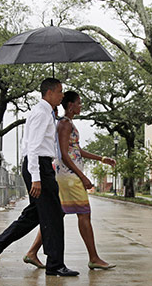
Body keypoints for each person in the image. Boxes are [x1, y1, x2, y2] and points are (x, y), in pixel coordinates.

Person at [0, 78, 79, 277]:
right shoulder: (41, 113)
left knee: (35, 214)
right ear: (50, 92)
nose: (62, 95)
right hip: (39, 167)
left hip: (41, 166)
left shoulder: (47, 113)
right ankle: (55, 265)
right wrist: (36, 177)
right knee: (53, 215)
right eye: (60, 91)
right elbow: (33, 147)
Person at [23, 91, 116, 271]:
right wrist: (83, 176)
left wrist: (102, 159)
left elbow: (77, 150)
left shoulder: (67, 123)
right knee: (84, 213)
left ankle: (32, 252)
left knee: (58, 214)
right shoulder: (64, 124)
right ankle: (94, 258)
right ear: (71, 105)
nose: (81, 106)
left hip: (66, 175)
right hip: (68, 176)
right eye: (79, 103)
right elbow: (65, 155)